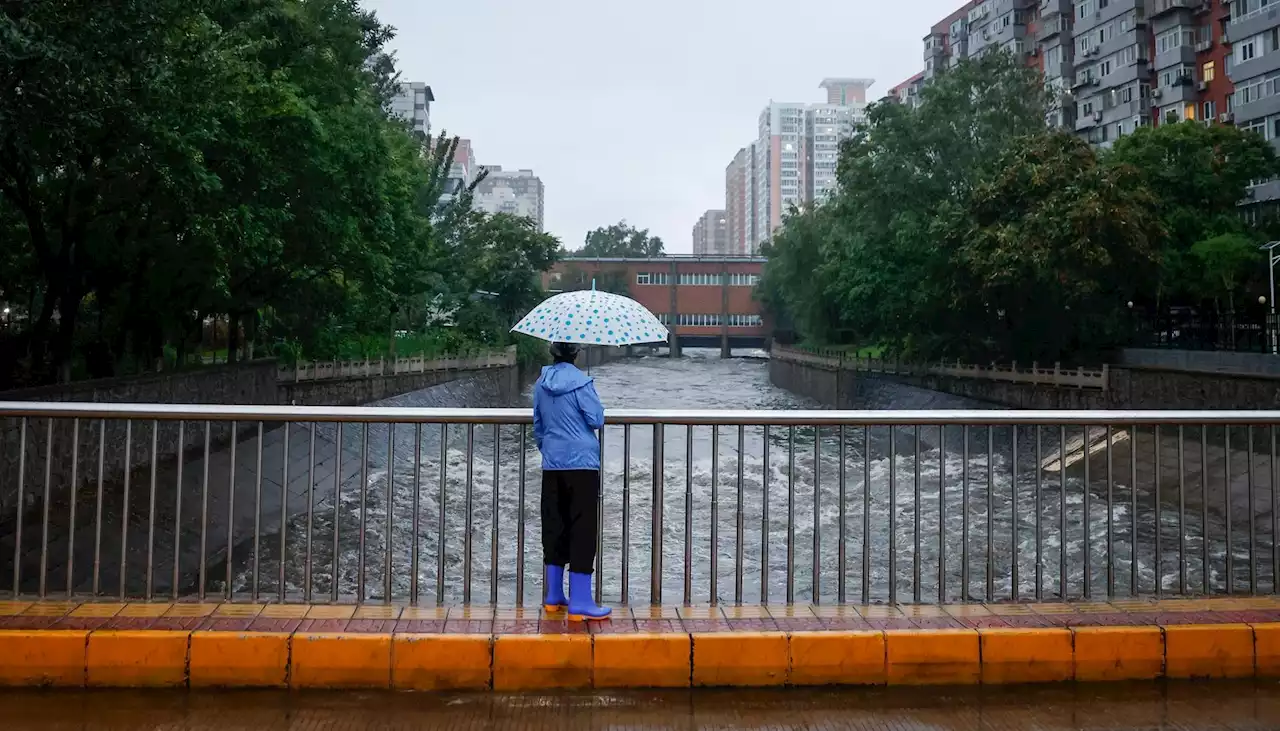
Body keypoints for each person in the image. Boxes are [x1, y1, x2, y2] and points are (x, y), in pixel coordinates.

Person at [533, 341, 610, 621]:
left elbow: (538, 425)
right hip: (582, 465)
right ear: (576, 355)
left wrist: (551, 449)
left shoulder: (541, 383)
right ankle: (580, 601)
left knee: (554, 524)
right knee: (582, 527)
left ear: (553, 354)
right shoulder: (581, 383)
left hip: (552, 462)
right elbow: (597, 419)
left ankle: (554, 596)